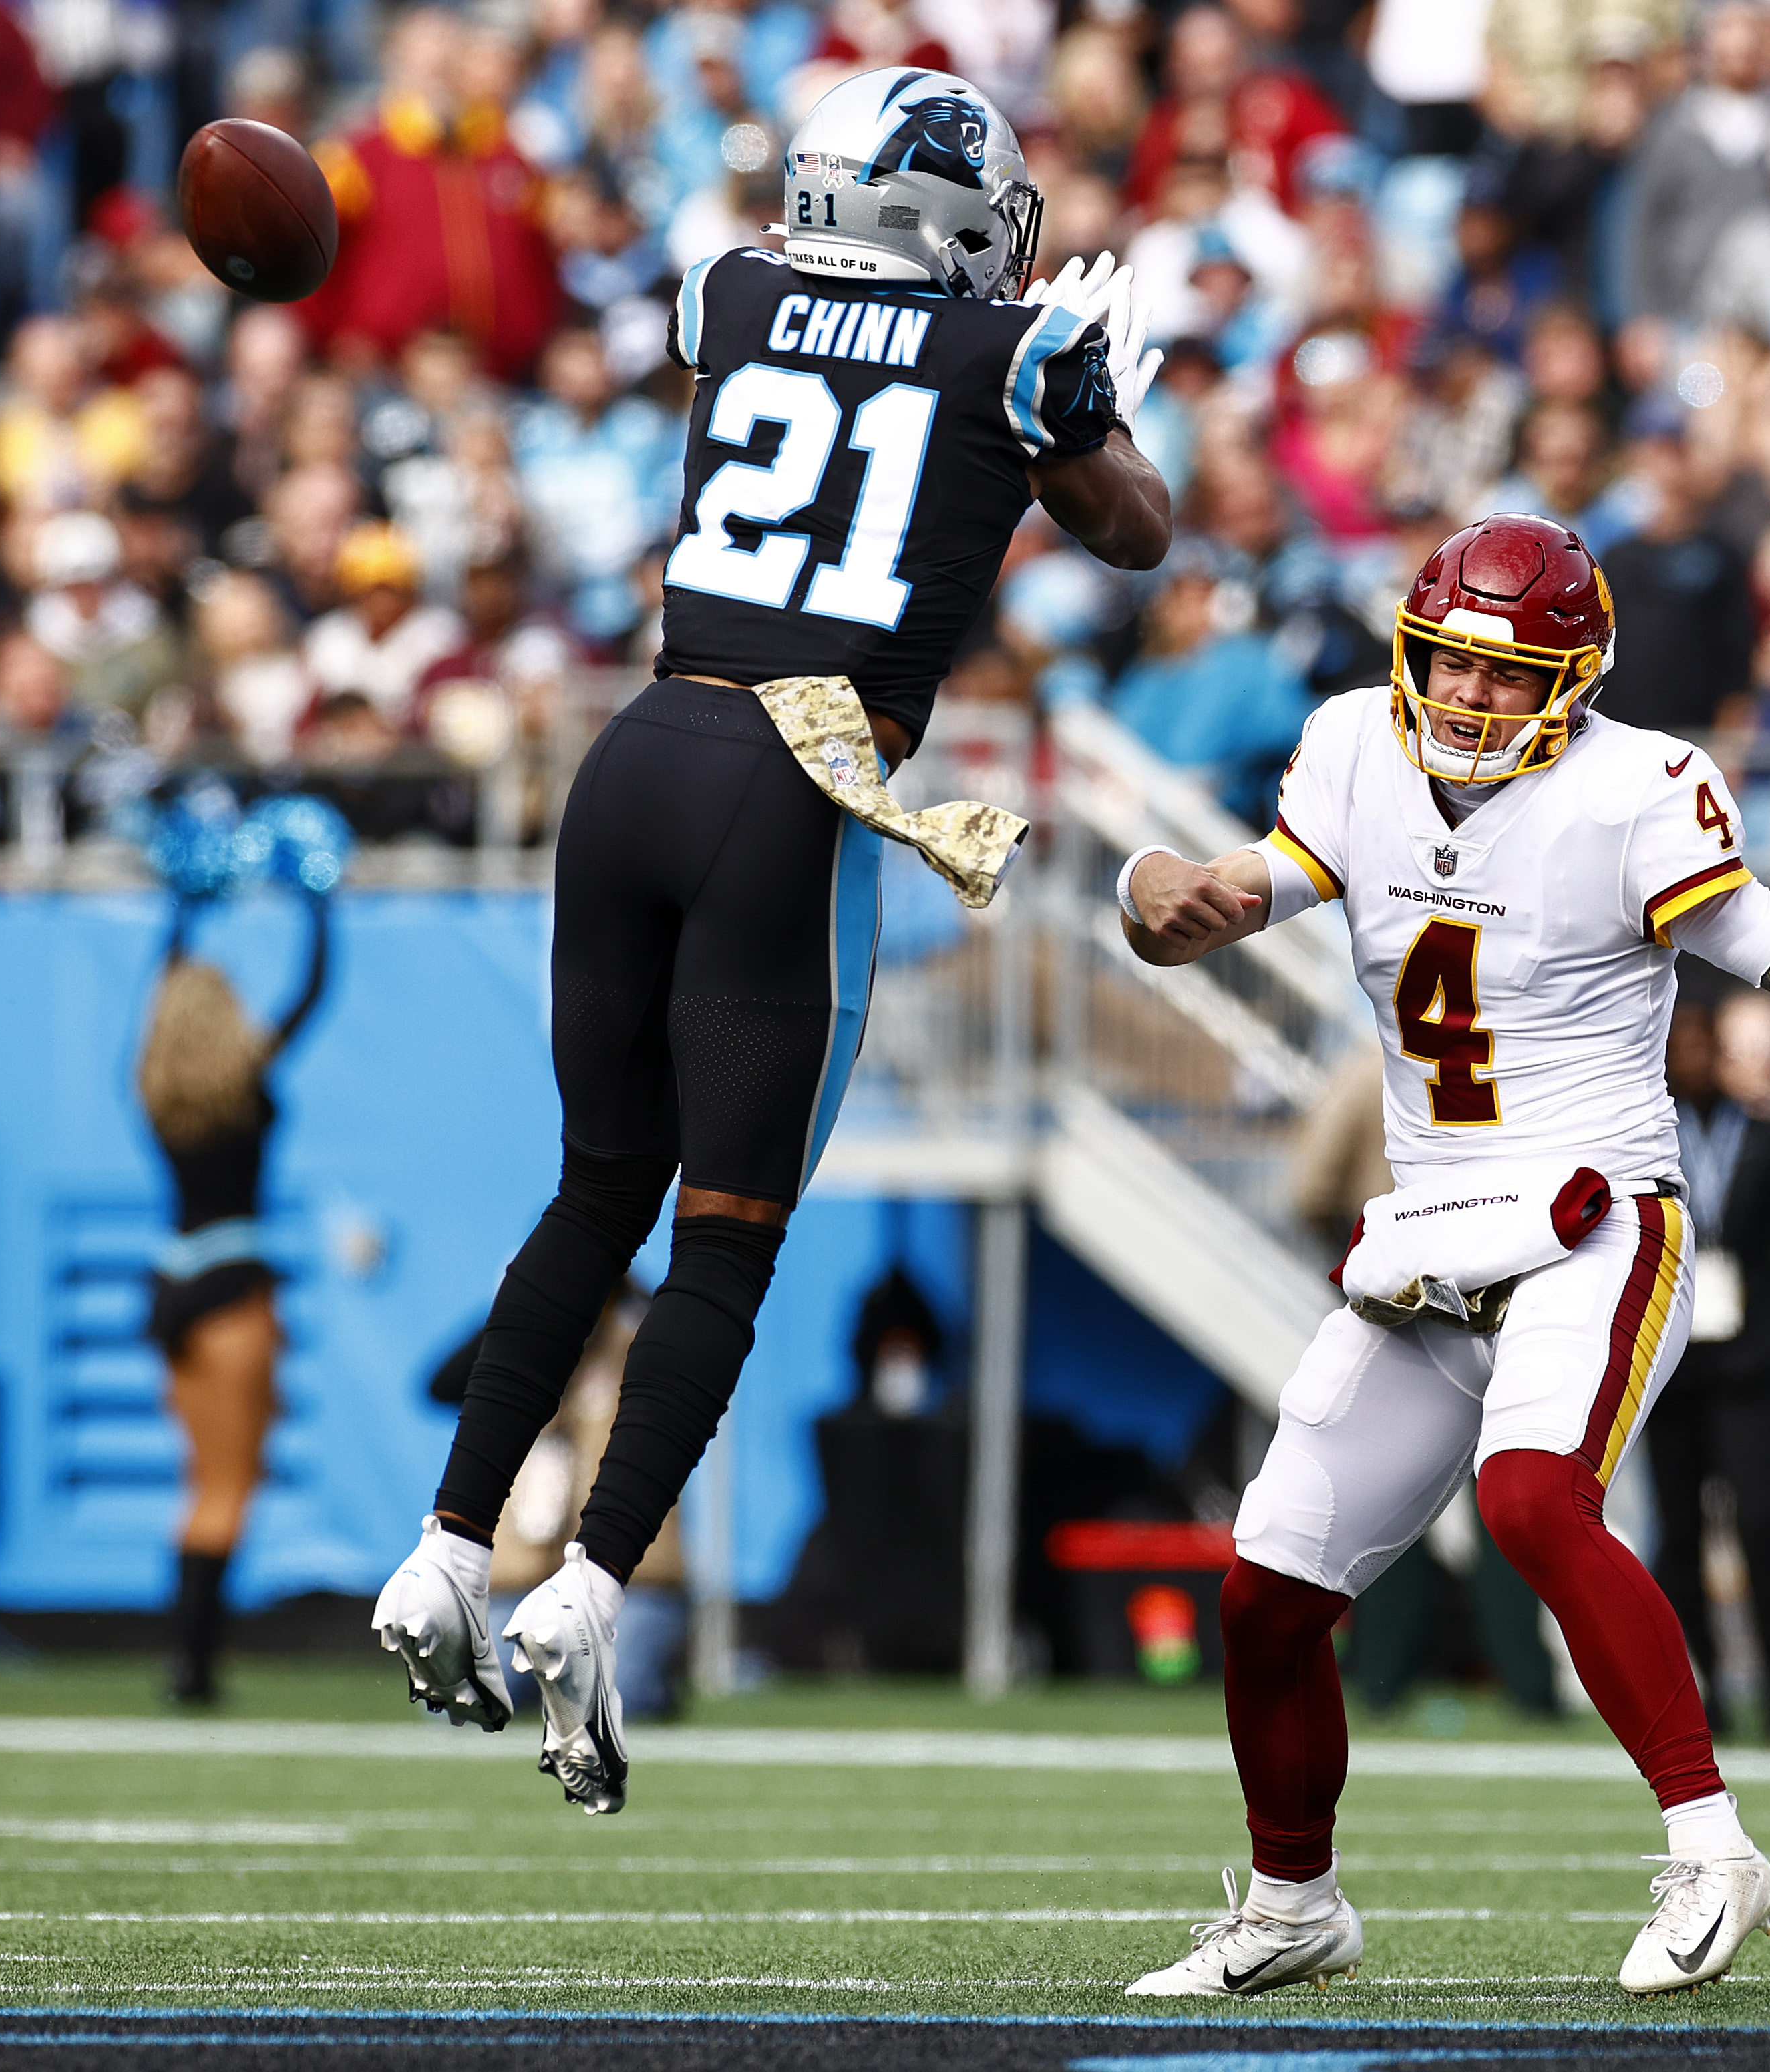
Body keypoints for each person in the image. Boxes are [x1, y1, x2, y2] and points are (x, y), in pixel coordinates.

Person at [368, 67, 1169, 1816]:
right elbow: (1136, 533)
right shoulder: (1012, 352)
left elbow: (822, 369)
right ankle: (586, 1577)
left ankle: (440, 1545)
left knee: (593, 1188)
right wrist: (1088, 408)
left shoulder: (728, 290)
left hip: (635, 750)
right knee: (725, 1234)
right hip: (795, 776)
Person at [1112, 512, 1770, 1998]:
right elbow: (1229, 898)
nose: (1464, 697)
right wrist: (1151, 887)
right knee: (1265, 1591)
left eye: (1504, 679)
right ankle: (1290, 1899)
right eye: (1446, 663)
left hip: (1596, 1211)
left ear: (1572, 683)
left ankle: (1714, 1849)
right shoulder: (1349, 749)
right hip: (1432, 1227)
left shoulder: (1635, 791)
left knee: (1529, 1497)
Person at [136, 882, 329, 1703]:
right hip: (233, 1287)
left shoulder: (156, 1091)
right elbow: (313, 992)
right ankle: (194, 1666)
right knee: (230, 1487)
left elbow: (163, 975)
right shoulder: (244, 1085)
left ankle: (188, 1657)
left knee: (199, 1483)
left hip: (170, 1286)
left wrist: (182, 913)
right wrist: (317, 907)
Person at [1643, 987, 1770, 1746]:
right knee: (1681, 1534)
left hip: (1754, 1367)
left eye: (1705, 1045)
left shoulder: (1768, 1138)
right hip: (1675, 1363)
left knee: (1762, 1524)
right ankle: (1709, 1687)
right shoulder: (1646, 1138)